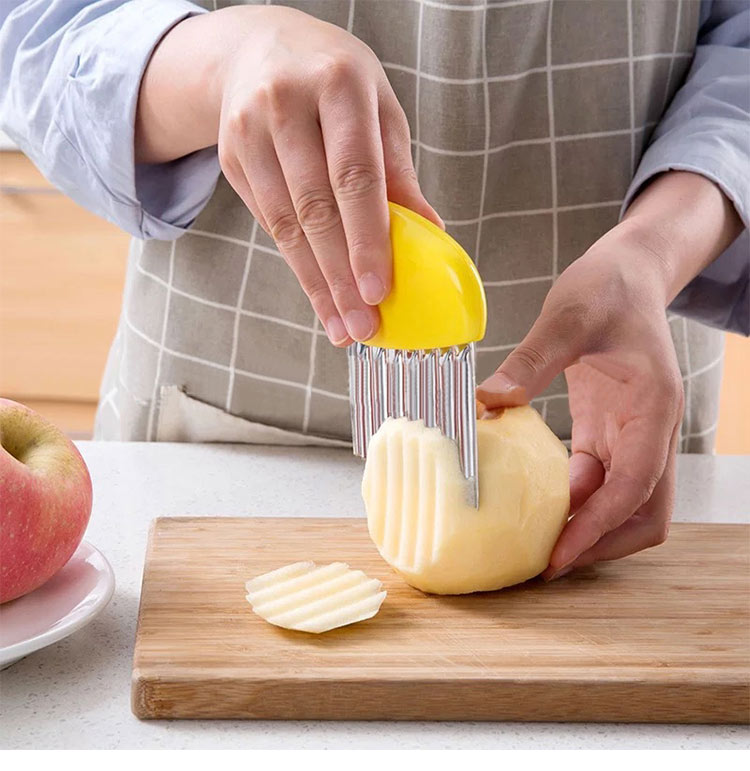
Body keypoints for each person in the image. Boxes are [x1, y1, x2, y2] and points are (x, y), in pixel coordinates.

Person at [1, 0, 747, 580]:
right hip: (209, 433)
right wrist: (215, 62)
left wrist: (654, 249)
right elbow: (31, 24)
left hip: (623, 413)